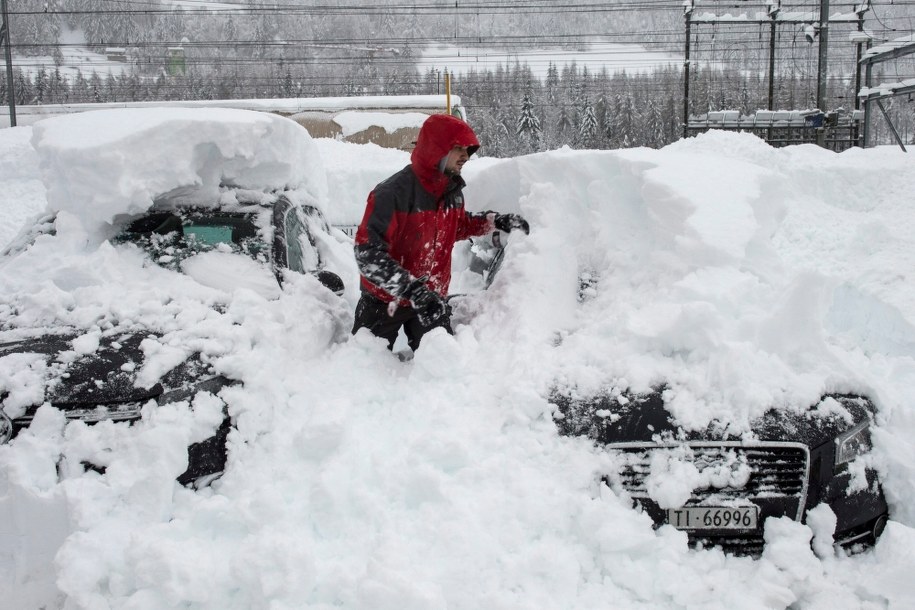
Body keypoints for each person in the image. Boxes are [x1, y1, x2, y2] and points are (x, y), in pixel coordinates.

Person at [351, 113, 529, 352]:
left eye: (468, 150)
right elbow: (368, 254)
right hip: (385, 301)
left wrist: (495, 221)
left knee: (442, 368)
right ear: (437, 150)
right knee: (364, 369)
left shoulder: (452, 191)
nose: (466, 156)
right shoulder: (391, 194)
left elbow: (458, 225)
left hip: (431, 300)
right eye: (458, 149)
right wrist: (412, 289)